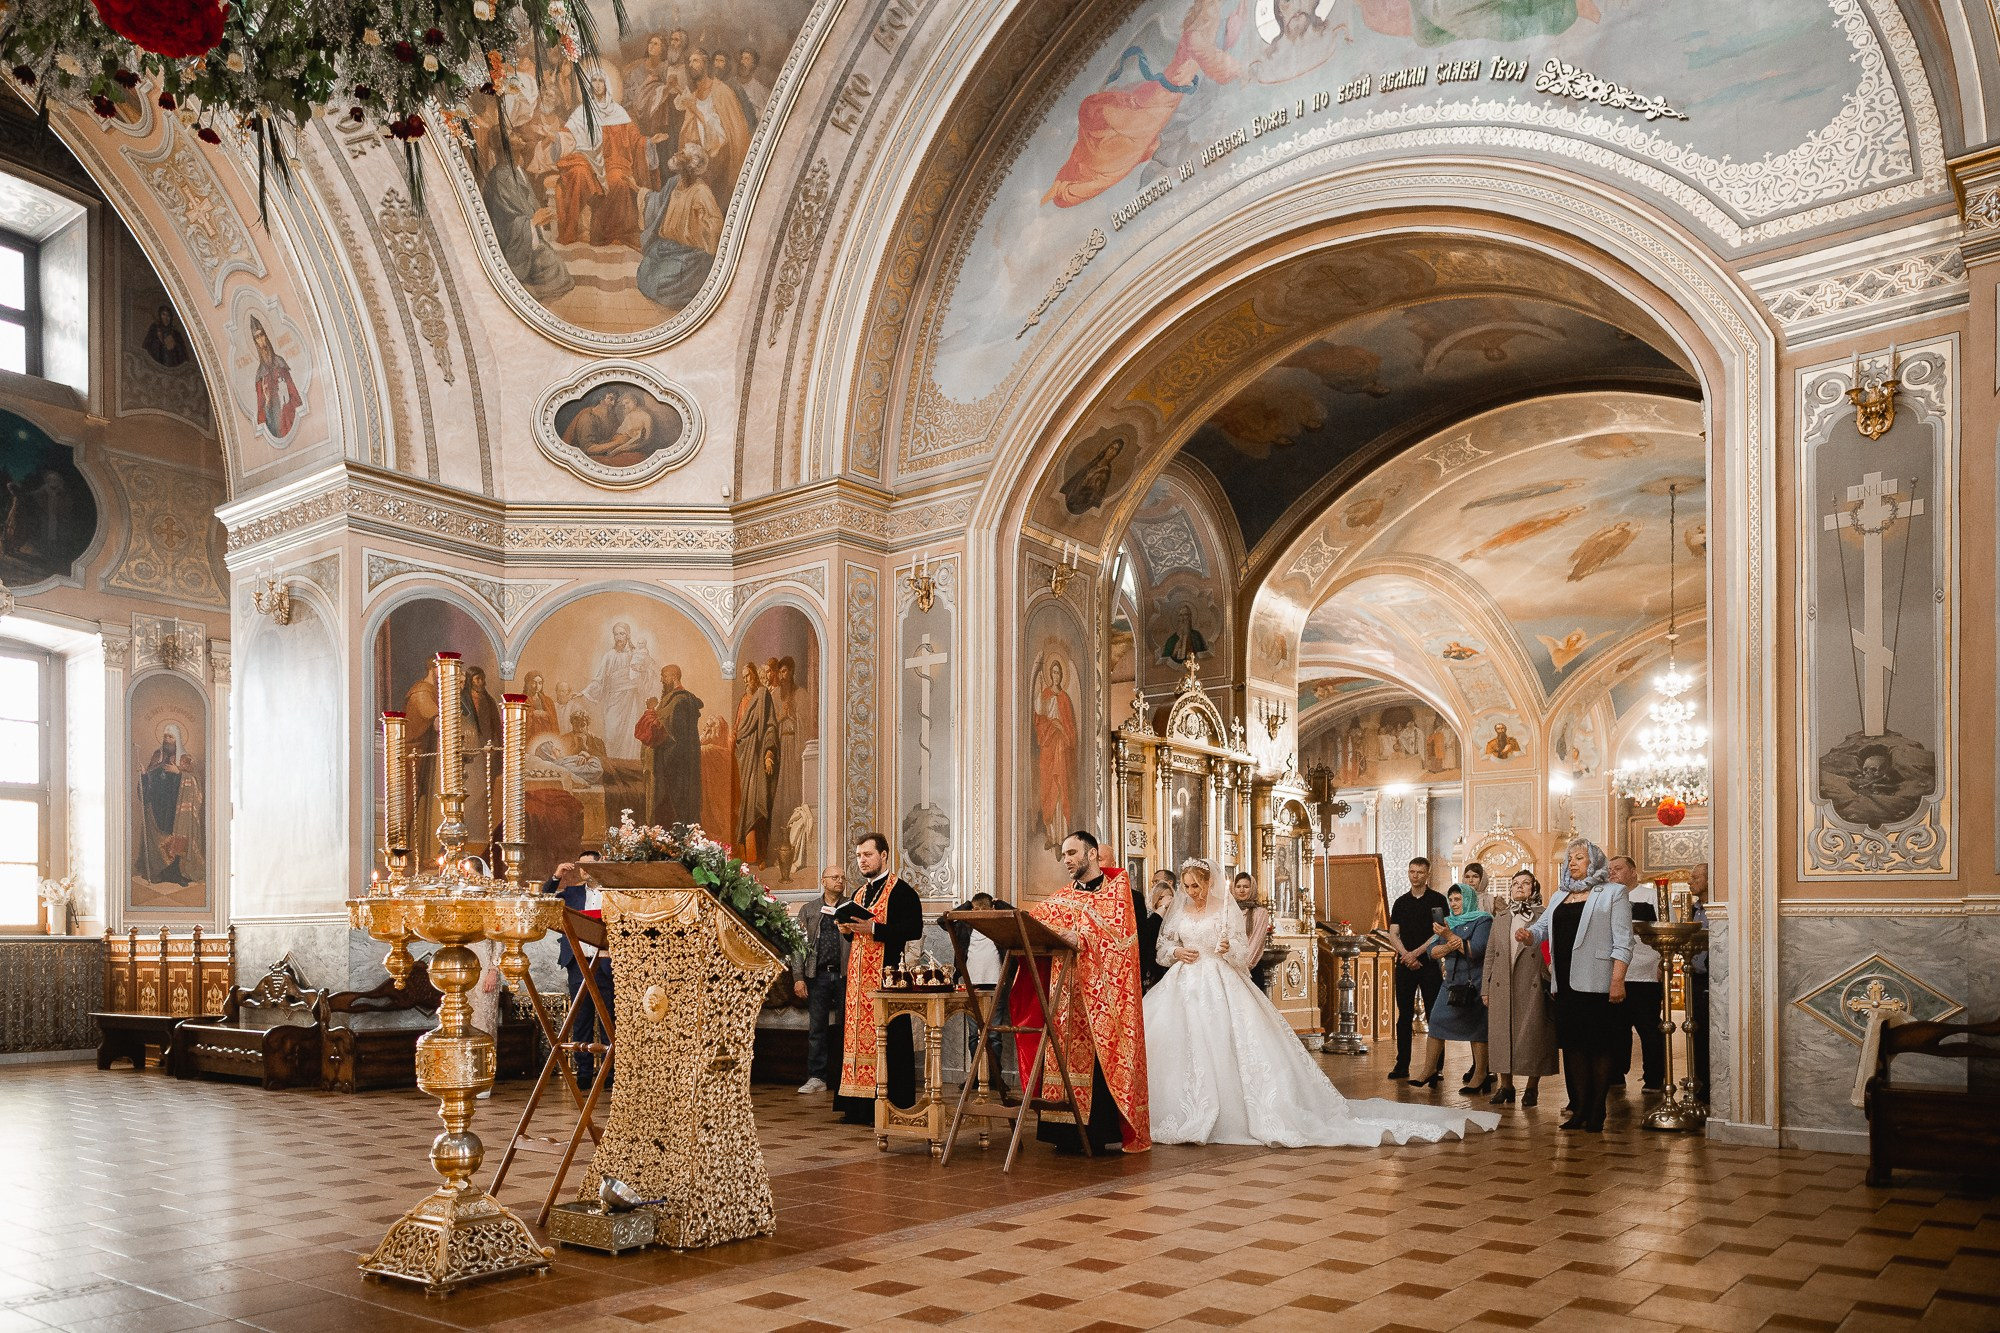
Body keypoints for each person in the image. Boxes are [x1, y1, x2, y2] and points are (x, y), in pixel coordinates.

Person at [1145, 858, 1499, 1147]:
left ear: (1208, 883)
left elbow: (1241, 954)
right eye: (1187, 887)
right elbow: (1162, 949)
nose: (1191, 892)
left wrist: (1227, 949)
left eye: (1196, 885)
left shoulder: (1224, 912)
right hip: (1184, 982)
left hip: (1221, 982)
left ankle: (1231, 1111)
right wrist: (1176, 951)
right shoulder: (1182, 912)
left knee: (1227, 1044)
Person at [1008, 831, 1151, 1153]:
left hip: (1102, 1002)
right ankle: (1064, 1133)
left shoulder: (1121, 895)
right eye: (1063, 855)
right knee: (1062, 1058)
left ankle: (1099, 1133)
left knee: (1100, 1065)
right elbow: (1032, 926)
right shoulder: (1061, 899)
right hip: (1065, 1000)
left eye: (1072, 853)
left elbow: (1124, 944)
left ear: (1091, 855)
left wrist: (1083, 938)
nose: (1067, 860)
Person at [1524, 838, 1632, 1133]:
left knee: (1598, 1047)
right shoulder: (1561, 895)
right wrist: (1527, 935)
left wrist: (1617, 979)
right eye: (1570, 858)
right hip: (1566, 983)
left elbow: (1624, 942)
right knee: (1573, 1047)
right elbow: (1541, 928)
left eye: (1580, 858)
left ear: (1594, 861)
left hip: (1598, 981)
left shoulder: (1613, 893)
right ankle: (1580, 1108)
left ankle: (1597, 1111)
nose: (1572, 863)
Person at [834, 833, 924, 1124]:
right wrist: (848, 931)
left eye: (868, 855)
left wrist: (874, 930)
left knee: (888, 1038)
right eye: (859, 855)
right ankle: (856, 1106)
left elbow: (912, 929)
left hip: (887, 978)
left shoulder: (902, 891)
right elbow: (858, 936)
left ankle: (887, 1104)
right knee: (855, 1039)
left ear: (884, 855)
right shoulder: (859, 893)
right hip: (857, 982)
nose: (862, 860)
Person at [1484, 868, 1558, 1107]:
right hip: (1501, 984)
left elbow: (1551, 950)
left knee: (1533, 1035)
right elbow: (1490, 955)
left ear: (1533, 889)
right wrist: (1486, 987)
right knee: (1501, 1035)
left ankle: (1532, 1087)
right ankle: (1505, 1085)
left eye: (1525, 883)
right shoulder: (1501, 917)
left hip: (1533, 983)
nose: (1519, 887)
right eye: (1516, 883)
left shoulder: (1544, 915)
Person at [1407, 883, 1492, 1093]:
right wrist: (1448, 944)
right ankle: (1429, 1069)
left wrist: (1448, 937)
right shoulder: (1449, 922)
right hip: (1451, 983)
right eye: (1451, 900)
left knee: (1477, 1029)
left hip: (1475, 983)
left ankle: (1481, 1075)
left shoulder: (1483, 920)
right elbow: (1431, 952)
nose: (1453, 904)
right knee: (1435, 1021)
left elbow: (1476, 950)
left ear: (1468, 900)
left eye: (1458, 899)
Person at [542, 856, 614, 1090]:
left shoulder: (611, 893)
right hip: (578, 963)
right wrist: (556, 877)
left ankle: (608, 1072)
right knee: (581, 1019)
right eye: (580, 865)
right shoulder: (571, 893)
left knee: (608, 1020)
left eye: (588, 865)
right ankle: (583, 1073)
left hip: (605, 964)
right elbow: (544, 901)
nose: (583, 869)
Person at [1609, 855, 1666, 1092]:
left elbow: (1667, 930)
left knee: (1649, 1028)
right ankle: (1615, 1075)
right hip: (1614, 975)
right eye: (1609, 869)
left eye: (1618, 868)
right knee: (1615, 1029)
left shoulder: (1651, 896)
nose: (1612, 872)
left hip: (1645, 974)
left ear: (1633, 872)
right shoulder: (1607, 898)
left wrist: (1664, 963)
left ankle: (1654, 1079)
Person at [1386, 856, 1446, 1080]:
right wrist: (1405, 954)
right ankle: (1402, 1065)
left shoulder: (1438, 900)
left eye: (1420, 872)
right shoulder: (1401, 902)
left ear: (1427, 874)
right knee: (1404, 1015)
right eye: (1412, 872)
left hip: (1429, 962)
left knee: (1434, 1015)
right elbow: (1393, 933)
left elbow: (1438, 933)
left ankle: (1436, 1067)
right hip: (1404, 963)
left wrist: (1417, 953)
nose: (1415, 876)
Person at [791, 869, 850, 1096]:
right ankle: (817, 1077)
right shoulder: (809, 910)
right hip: (818, 976)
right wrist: (798, 978)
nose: (840, 881)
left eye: (843, 878)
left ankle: (846, 1076)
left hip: (846, 976)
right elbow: (798, 946)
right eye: (834, 877)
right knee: (817, 1029)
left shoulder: (850, 906)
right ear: (823, 881)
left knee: (848, 1027)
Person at [635, 664, 703, 827]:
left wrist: (651, 710)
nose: (662, 681)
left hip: (673, 770)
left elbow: (659, 732)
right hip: (678, 768)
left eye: (664, 677)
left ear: (673, 677)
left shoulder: (679, 701)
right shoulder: (679, 700)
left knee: (673, 814)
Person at [1688, 863, 1711, 1099]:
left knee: (1708, 1033)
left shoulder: (1715, 908)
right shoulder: (1694, 909)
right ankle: (1699, 1081)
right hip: (1695, 977)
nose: (1690, 881)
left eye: (1695, 877)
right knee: (1695, 1032)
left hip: (1713, 979)